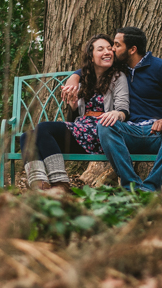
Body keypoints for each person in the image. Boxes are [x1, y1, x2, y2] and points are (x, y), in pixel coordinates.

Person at [63, 27, 162, 191]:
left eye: (116, 45)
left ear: (132, 50)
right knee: (104, 125)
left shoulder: (161, 68)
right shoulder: (118, 67)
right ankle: (131, 185)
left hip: (157, 134)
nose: (112, 49)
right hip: (128, 134)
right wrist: (75, 76)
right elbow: (91, 66)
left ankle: (151, 187)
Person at [20, 34, 129, 192]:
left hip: (102, 131)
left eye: (109, 48)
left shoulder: (118, 77)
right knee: (27, 136)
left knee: (44, 128)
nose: (107, 52)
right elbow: (74, 119)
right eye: (101, 49)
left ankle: (60, 185)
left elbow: (123, 109)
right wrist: (73, 106)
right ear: (91, 57)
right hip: (82, 131)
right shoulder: (84, 79)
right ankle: (40, 187)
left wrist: (117, 114)